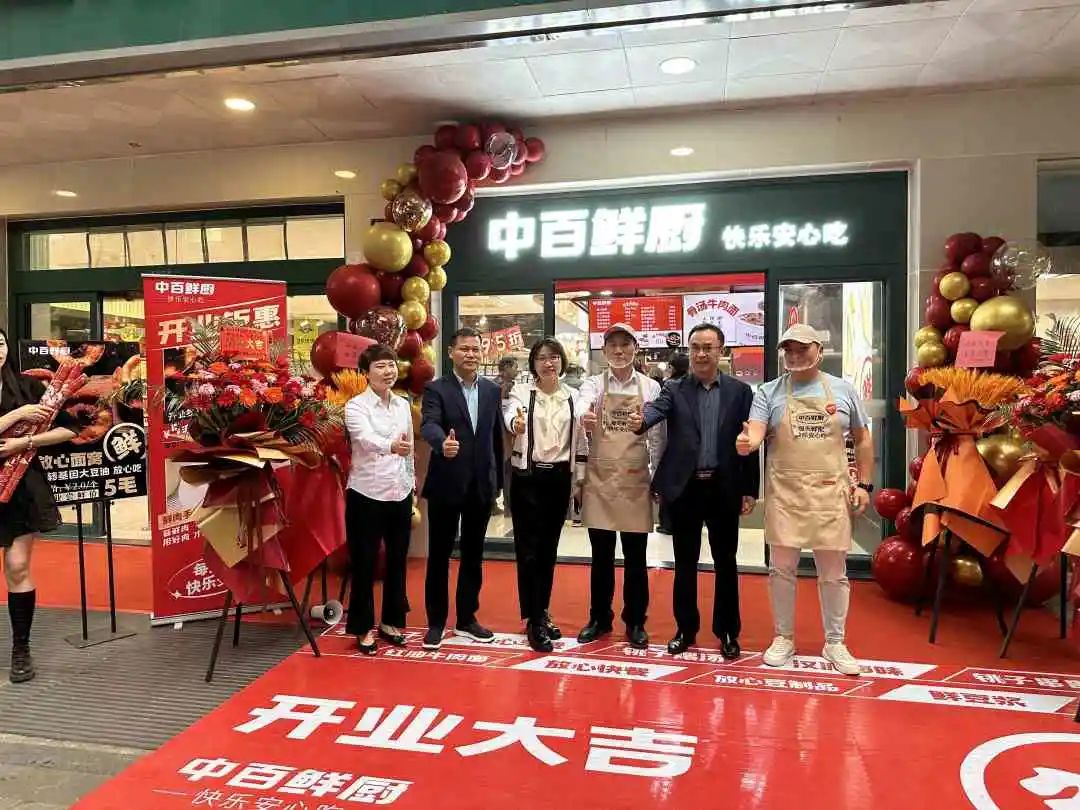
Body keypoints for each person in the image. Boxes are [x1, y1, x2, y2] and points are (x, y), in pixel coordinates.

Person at [736, 323, 872, 676]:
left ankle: (835, 641)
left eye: (802, 348)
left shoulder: (843, 390)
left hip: (830, 492)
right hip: (786, 494)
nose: (795, 355)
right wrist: (748, 443)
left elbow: (862, 438)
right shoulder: (768, 392)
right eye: (789, 350)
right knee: (781, 569)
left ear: (819, 351)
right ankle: (783, 637)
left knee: (834, 572)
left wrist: (864, 485)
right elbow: (756, 431)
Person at [636, 323, 758, 658]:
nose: (701, 354)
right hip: (685, 489)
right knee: (685, 562)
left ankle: (728, 632)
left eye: (708, 347)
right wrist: (641, 421)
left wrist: (749, 488)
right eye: (695, 347)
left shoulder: (740, 392)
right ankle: (685, 629)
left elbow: (749, 442)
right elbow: (655, 410)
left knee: (726, 562)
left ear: (721, 351)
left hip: (724, 486)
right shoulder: (673, 388)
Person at [576, 323, 664, 649]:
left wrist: (657, 477)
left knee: (635, 557)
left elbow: (658, 436)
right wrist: (584, 417)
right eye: (612, 345)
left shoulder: (651, 387)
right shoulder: (592, 384)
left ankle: (636, 621)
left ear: (635, 349)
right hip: (600, 479)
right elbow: (582, 406)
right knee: (600, 557)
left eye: (625, 344)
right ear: (604, 351)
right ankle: (599, 618)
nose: (619, 350)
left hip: (635, 479)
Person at [0, 328, 79, 683]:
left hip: (20, 488)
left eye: (1, 343)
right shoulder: (24, 405)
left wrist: (25, 442)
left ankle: (21, 648)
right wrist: (16, 416)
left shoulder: (28, 387)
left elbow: (70, 430)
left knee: (17, 566)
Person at [420, 327, 504, 650]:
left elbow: (495, 437)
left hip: (481, 484)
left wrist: (498, 483)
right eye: (464, 349)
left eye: (475, 349)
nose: (470, 354)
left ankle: (467, 618)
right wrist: (442, 443)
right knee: (439, 555)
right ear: (451, 353)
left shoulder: (492, 390)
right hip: (446, 482)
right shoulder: (437, 389)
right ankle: (436, 622)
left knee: (473, 555)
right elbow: (429, 423)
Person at [504, 337, 587, 652]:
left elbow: (581, 440)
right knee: (528, 550)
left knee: (549, 550)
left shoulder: (573, 397)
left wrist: (579, 479)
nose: (548, 363)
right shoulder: (522, 392)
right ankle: (534, 619)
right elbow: (510, 415)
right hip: (528, 477)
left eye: (553, 357)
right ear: (533, 364)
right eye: (541, 358)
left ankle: (541, 610)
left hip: (559, 478)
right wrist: (515, 423)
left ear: (562, 361)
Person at [343, 344, 415, 655]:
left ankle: (390, 621)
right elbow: (364, 439)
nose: (388, 371)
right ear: (365, 373)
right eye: (380, 366)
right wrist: (391, 447)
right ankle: (362, 628)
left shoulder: (402, 404)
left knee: (398, 561)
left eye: (391, 365)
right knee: (365, 563)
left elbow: (409, 449)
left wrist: (412, 484)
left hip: (399, 491)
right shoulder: (355, 406)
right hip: (366, 493)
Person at [496, 356, 519, 517]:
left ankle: (496, 503)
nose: (517, 371)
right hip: (505, 433)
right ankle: (509, 506)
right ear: (506, 368)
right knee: (507, 470)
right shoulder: (506, 386)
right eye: (515, 367)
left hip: (498, 433)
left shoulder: (493, 384)